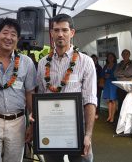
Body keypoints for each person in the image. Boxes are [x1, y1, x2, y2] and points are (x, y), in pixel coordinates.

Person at [36, 14, 96, 162]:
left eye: (64, 30)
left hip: (77, 130)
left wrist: (88, 135)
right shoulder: (43, 63)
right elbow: (41, 95)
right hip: (50, 129)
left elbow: (90, 100)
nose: (60, 34)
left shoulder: (86, 62)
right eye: (56, 30)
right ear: (51, 34)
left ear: (72, 32)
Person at [0, 17, 37, 162]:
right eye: (5, 33)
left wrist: (32, 124)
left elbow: (30, 94)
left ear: (18, 38)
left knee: (15, 160)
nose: (9, 37)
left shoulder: (26, 63)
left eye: (13, 34)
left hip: (17, 121)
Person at [114, 49, 132, 120]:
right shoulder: (119, 64)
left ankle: (128, 120)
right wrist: (125, 74)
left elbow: (131, 72)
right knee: (120, 103)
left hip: (129, 87)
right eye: (123, 54)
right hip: (120, 87)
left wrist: (121, 73)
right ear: (122, 55)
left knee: (128, 104)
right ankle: (121, 120)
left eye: (127, 54)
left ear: (129, 55)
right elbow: (115, 74)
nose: (125, 55)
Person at [101, 52, 118, 123]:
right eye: (109, 57)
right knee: (108, 101)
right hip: (107, 84)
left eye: (111, 56)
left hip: (113, 84)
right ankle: (109, 115)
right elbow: (102, 73)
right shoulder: (106, 65)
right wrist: (105, 75)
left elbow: (116, 74)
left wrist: (110, 76)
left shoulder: (116, 65)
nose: (110, 58)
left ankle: (113, 117)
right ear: (107, 58)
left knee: (113, 100)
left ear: (114, 58)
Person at [91, 54, 103, 119]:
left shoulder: (99, 67)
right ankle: (92, 112)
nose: (93, 60)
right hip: (91, 86)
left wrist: (95, 81)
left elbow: (101, 77)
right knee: (91, 99)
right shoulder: (89, 66)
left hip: (98, 86)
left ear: (96, 59)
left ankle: (97, 112)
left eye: (94, 59)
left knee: (97, 99)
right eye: (92, 59)